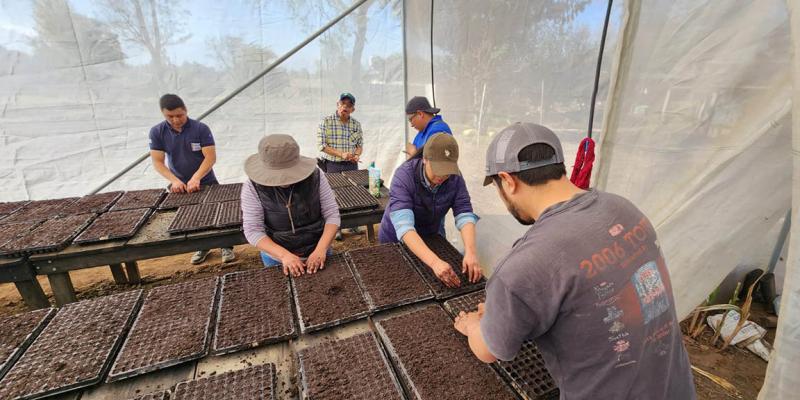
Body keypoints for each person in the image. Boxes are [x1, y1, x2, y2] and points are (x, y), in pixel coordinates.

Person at [454, 123, 696, 400]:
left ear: (507, 181)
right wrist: (500, 313)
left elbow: (489, 350)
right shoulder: (622, 207)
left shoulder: (523, 267)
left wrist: (475, 325)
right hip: (675, 388)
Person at [378, 133, 482, 287]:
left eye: (448, 170)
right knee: (398, 283)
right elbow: (404, 226)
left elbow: (464, 213)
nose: (443, 176)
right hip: (396, 239)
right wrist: (434, 262)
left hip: (429, 237)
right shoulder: (404, 176)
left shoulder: (455, 178)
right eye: (439, 169)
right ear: (425, 159)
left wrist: (471, 252)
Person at [149, 94, 235, 264]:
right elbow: (157, 162)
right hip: (180, 185)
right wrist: (174, 180)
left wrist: (196, 177)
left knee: (219, 213)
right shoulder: (157, 132)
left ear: (186, 110)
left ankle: (226, 246)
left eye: (179, 115)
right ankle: (202, 247)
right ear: (163, 114)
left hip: (206, 181)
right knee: (194, 217)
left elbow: (210, 157)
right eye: (170, 116)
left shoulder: (200, 129)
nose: (175, 120)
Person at [241, 134, 340, 276]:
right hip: (277, 257)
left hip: (318, 249)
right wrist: (284, 256)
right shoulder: (252, 187)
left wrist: (321, 249)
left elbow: (332, 215)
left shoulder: (316, 176)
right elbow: (253, 230)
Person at [317, 92, 363, 173]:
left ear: (353, 110)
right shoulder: (326, 121)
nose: (345, 106)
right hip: (332, 165)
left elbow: (359, 145)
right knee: (332, 185)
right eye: (343, 103)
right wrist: (341, 154)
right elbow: (321, 146)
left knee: (354, 186)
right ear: (338, 104)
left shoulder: (356, 124)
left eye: (349, 105)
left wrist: (356, 155)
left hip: (352, 165)